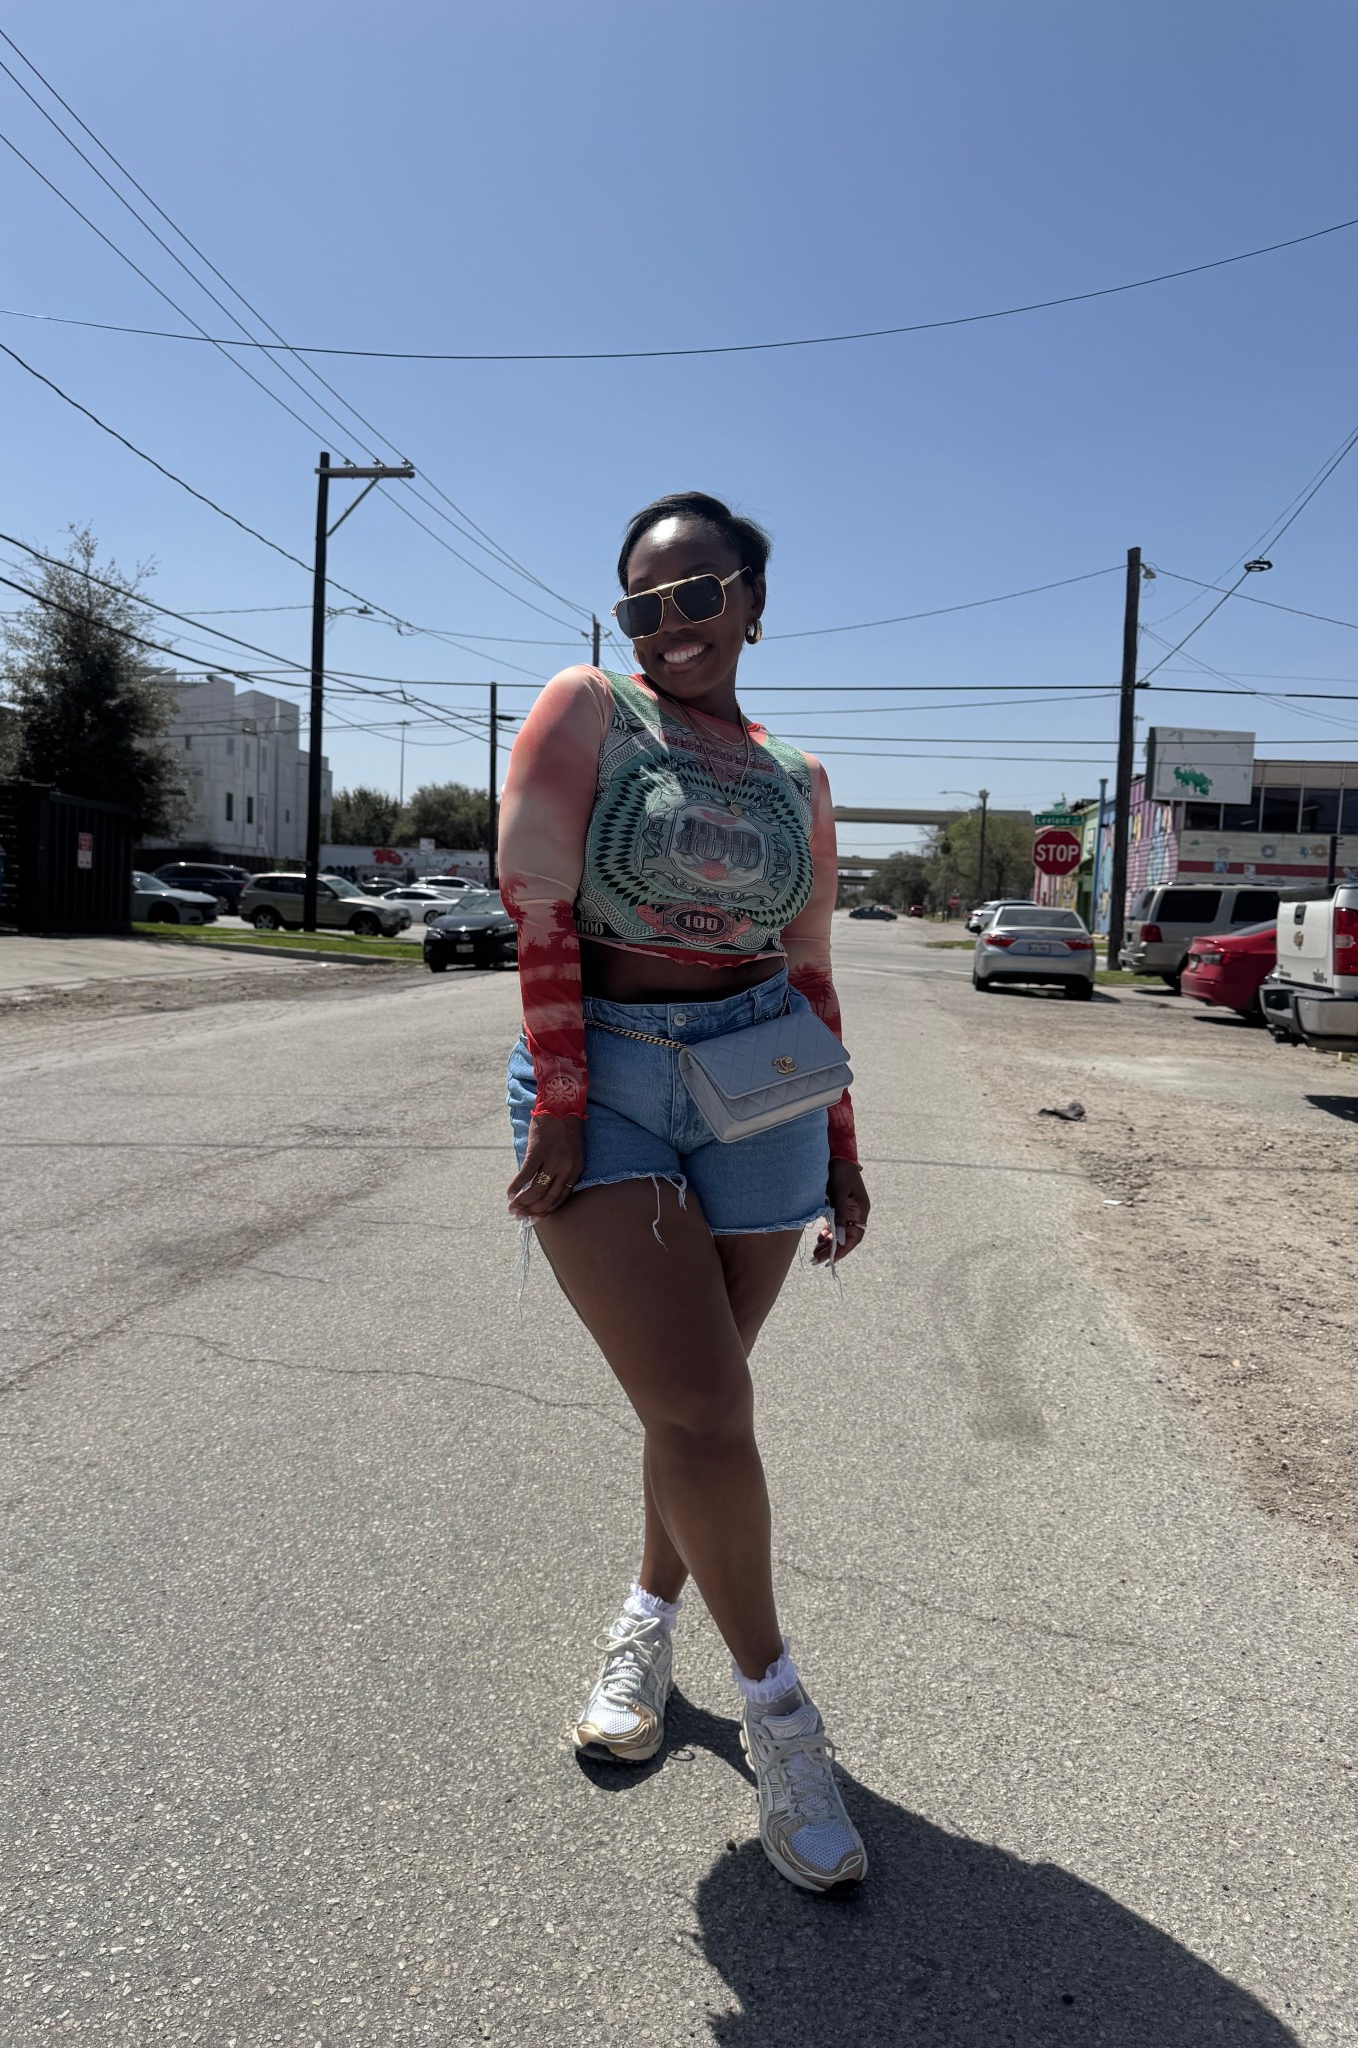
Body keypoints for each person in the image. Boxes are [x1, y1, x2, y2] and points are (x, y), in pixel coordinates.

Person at [499, 491, 871, 1894]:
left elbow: (814, 956)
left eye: (697, 596)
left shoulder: (798, 775)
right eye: (643, 603)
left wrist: (844, 1142)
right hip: (607, 1062)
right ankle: (780, 1712)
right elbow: (535, 894)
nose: (670, 626)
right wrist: (566, 1088)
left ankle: (649, 1609)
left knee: (694, 1403)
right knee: (709, 1411)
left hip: (767, 1067)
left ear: (754, 605)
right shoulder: (593, 705)